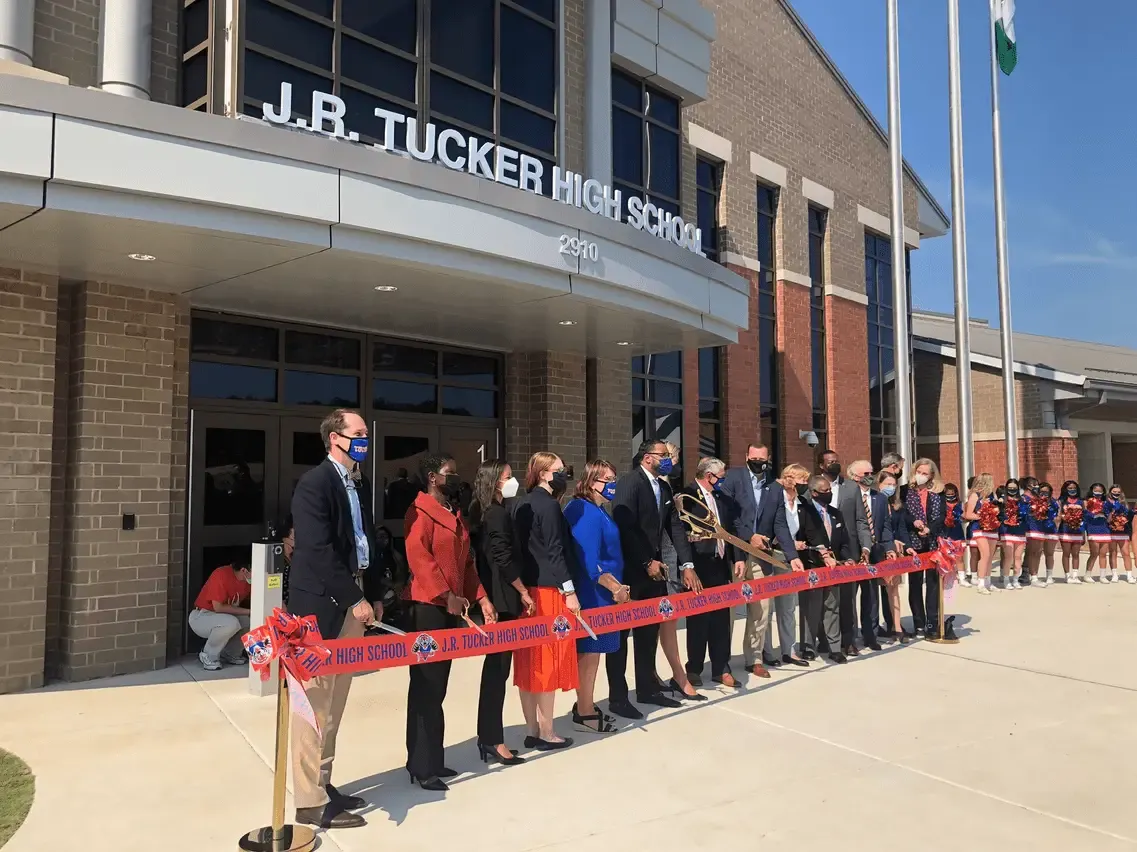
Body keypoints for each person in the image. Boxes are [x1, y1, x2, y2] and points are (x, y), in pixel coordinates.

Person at [288, 408, 387, 830]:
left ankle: (323, 783)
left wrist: (375, 594)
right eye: (359, 432)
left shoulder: (356, 484)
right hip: (322, 610)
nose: (366, 439)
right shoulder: (315, 484)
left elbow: (365, 542)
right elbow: (316, 549)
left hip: (353, 603)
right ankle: (309, 802)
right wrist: (352, 597)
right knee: (313, 706)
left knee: (335, 705)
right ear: (335, 438)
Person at [403, 453, 496, 790]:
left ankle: (433, 759)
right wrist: (447, 596)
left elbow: (466, 564)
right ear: (432, 477)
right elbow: (420, 560)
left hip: (452, 608)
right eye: (449, 473)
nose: (456, 478)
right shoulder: (419, 512)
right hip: (428, 607)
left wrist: (481, 596)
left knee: (438, 687)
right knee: (426, 687)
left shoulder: (452, 512)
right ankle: (421, 765)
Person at [608, 440, 693, 718]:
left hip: (656, 571)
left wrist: (687, 563)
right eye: (664, 455)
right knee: (621, 638)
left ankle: (647, 687)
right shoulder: (630, 483)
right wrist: (645, 561)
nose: (669, 459)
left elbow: (674, 527)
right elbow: (625, 526)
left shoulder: (664, 487)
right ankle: (618, 697)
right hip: (631, 570)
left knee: (648, 633)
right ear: (647, 458)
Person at [468, 460, 534, 767]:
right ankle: (492, 739)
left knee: (496, 670)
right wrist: (522, 591)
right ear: (496, 482)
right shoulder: (495, 514)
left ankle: (489, 736)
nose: (513, 481)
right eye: (508, 477)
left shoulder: (487, 510)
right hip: (502, 599)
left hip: (499, 597)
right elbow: (503, 558)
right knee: (496, 671)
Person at [513, 452, 580, 748]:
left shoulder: (520, 504)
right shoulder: (549, 506)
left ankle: (531, 729)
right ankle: (547, 731)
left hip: (526, 592)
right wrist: (570, 590)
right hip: (550, 592)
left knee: (529, 663)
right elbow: (555, 552)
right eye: (558, 469)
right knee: (549, 662)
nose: (563, 473)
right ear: (543, 473)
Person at [564, 460, 632, 733]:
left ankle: (585, 702)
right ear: (591, 481)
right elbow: (589, 561)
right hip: (595, 595)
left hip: (603, 594)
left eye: (614, 477)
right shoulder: (585, 511)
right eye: (607, 478)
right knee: (589, 655)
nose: (612, 483)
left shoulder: (597, 509)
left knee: (593, 655)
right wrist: (615, 587)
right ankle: (584, 712)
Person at [719, 442, 792, 674]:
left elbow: (780, 523)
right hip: (736, 553)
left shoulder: (775, 487)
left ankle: (754, 658)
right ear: (746, 456)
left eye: (763, 459)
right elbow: (728, 516)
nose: (759, 463)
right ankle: (722, 661)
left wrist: (792, 555)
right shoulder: (733, 478)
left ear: (768, 458)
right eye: (755, 458)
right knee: (729, 610)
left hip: (763, 555)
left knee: (761, 609)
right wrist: (749, 537)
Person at [680, 457, 745, 688]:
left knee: (720, 620)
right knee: (698, 619)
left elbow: (732, 530)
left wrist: (738, 558)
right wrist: (686, 566)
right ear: (709, 476)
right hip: (699, 564)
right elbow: (681, 533)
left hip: (720, 564)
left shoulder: (722, 499)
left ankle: (721, 668)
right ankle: (694, 668)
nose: (723, 482)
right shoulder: (686, 496)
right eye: (721, 477)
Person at [653, 442, 702, 700]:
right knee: (660, 624)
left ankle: (676, 674)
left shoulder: (667, 488)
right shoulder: (650, 487)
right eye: (671, 456)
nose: (673, 461)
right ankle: (677, 675)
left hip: (671, 564)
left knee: (668, 622)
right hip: (657, 568)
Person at [797, 473, 853, 663]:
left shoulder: (835, 513)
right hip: (813, 566)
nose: (829, 493)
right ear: (813, 493)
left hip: (833, 568)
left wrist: (847, 558)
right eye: (824, 491)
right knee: (811, 608)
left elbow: (844, 541)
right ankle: (809, 646)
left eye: (830, 490)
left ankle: (834, 647)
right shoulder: (804, 512)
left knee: (832, 606)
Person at [847, 459, 893, 650]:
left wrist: (889, 547)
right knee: (850, 597)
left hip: (874, 552)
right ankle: (850, 637)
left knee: (871, 596)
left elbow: (885, 526)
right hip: (853, 551)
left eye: (871, 473)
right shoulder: (847, 496)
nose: (870, 477)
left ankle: (870, 635)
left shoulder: (880, 498)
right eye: (865, 474)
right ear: (854, 476)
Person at [901, 458, 946, 636]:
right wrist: (914, 522)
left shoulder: (938, 492)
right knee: (915, 583)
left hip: (933, 541)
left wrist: (929, 529)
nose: (921, 475)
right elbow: (902, 513)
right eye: (919, 471)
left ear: (932, 475)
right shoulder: (905, 491)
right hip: (913, 542)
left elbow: (941, 516)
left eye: (925, 473)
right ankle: (918, 621)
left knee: (933, 584)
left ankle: (932, 622)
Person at [189, 557, 252, 671]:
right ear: (244, 570)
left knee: (251, 620)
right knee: (231, 623)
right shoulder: (221, 574)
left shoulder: (247, 582)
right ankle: (208, 655)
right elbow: (218, 607)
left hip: (225, 617)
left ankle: (230, 653)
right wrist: (249, 611)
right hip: (201, 616)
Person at [875, 472, 913, 643]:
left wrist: (908, 545)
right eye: (887, 484)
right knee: (872, 592)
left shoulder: (897, 505)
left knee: (893, 589)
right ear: (879, 484)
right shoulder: (873, 501)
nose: (891, 487)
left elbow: (902, 528)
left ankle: (896, 627)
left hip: (893, 552)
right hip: (877, 550)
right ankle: (873, 627)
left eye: (894, 484)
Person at [963, 473, 998, 595]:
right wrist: (983, 516)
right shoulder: (974, 495)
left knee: (990, 556)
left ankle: (988, 582)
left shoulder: (992, 495)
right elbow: (968, 514)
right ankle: (981, 583)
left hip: (992, 529)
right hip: (979, 528)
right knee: (985, 555)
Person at [1024, 479, 1058, 586]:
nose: (1043, 493)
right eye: (1041, 491)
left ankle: (1036, 576)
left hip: (1043, 528)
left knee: (1039, 552)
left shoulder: (1048, 501)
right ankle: (1032, 577)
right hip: (1033, 527)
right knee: (1034, 552)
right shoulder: (1029, 499)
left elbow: (1055, 514)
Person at [999, 478, 1029, 590]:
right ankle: (1006, 580)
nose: (1012, 490)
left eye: (1014, 488)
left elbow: (1026, 515)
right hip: (1007, 531)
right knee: (1008, 557)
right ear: (1006, 488)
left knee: (1018, 557)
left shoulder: (1022, 500)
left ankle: (1015, 579)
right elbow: (999, 515)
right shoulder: (1003, 500)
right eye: (1010, 488)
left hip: (1020, 532)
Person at [1057, 480, 1086, 583]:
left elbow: (1084, 517)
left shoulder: (1081, 501)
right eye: (1069, 488)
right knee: (1066, 553)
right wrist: (1065, 517)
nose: (1072, 490)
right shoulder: (1061, 501)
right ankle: (1067, 576)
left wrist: (1083, 533)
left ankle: (1075, 576)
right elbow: (1058, 515)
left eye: (1074, 488)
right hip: (1065, 529)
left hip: (1077, 530)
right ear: (1065, 489)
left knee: (1076, 554)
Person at [1105, 486, 1135, 583]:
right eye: (1114, 491)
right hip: (1111, 530)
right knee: (1113, 552)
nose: (1116, 493)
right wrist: (1112, 510)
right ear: (1110, 492)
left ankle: (1129, 575)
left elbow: (1129, 517)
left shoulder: (1124, 503)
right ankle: (1114, 575)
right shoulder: (1106, 503)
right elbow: (1107, 519)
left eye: (1118, 492)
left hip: (1123, 531)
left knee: (1126, 553)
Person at [1083, 482, 1111, 583]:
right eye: (1096, 490)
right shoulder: (1087, 502)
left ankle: (1103, 576)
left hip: (1104, 529)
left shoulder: (1106, 503)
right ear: (1092, 491)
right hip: (1093, 528)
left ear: (1103, 492)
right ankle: (1087, 574)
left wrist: (1109, 513)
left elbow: (1109, 519)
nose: (1098, 493)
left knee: (1103, 554)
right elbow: (1085, 516)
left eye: (1100, 491)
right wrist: (1093, 512)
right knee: (1094, 553)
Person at [941, 483, 967, 587]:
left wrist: (961, 517)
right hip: (945, 534)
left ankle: (962, 578)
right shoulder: (941, 504)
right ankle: (947, 578)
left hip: (957, 533)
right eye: (948, 494)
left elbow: (965, 516)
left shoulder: (960, 504)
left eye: (952, 494)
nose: (950, 496)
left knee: (959, 557)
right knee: (946, 558)